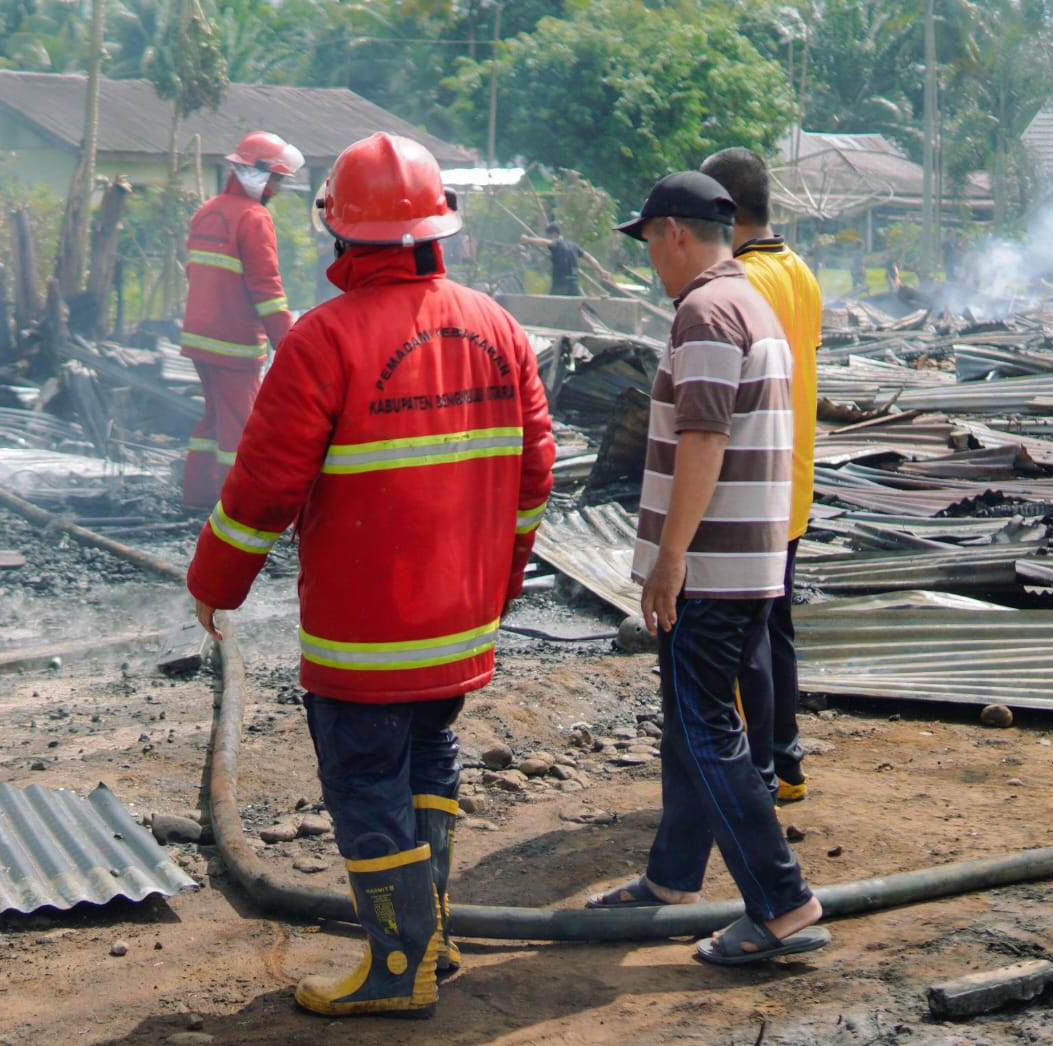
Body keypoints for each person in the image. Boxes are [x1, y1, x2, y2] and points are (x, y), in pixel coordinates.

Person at [186, 132, 554, 1017]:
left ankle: (398, 968)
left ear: (339, 235)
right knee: (431, 758)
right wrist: (501, 584)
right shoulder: (498, 326)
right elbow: (535, 473)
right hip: (460, 623)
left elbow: (264, 485)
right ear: (437, 230)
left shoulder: (323, 341)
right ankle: (429, 937)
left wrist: (214, 582)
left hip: (367, 633)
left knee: (365, 781)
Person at [586, 171, 827, 966]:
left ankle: (782, 903)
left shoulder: (706, 312)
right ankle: (671, 879)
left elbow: (704, 439)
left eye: (650, 240)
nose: (650, 256)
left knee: (707, 728)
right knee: (692, 731)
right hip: (746, 556)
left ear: (676, 234)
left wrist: (669, 560)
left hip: (713, 567)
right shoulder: (748, 299)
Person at [700, 147, 823, 804]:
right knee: (776, 629)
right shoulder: (799, 271)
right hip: (795, 477)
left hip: (755, 484)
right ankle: (788, 760)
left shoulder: (741, 283)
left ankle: (762, 773)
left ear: (721, 210)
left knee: (749, 635)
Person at [179, 130, 303, 510]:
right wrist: (289, 342)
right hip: (234, 343)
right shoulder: (254, 218)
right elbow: (266, 288)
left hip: (200, 339)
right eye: (277, 179)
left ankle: (198, 497)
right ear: (259, 175)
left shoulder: (208, 211)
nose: (278, 188)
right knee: (240, 428)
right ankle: (237, 507)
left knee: (213, 419)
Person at [520, 222, 583, 295]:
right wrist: (600, 271)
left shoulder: (557, 243)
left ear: (554, 234)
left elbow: (545, 242)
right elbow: (590, 258)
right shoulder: (573, 245)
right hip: (574, 284)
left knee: (552, 304)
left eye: (548, 236)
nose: (548, 238)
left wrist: (528, 239)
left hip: (560, 283)